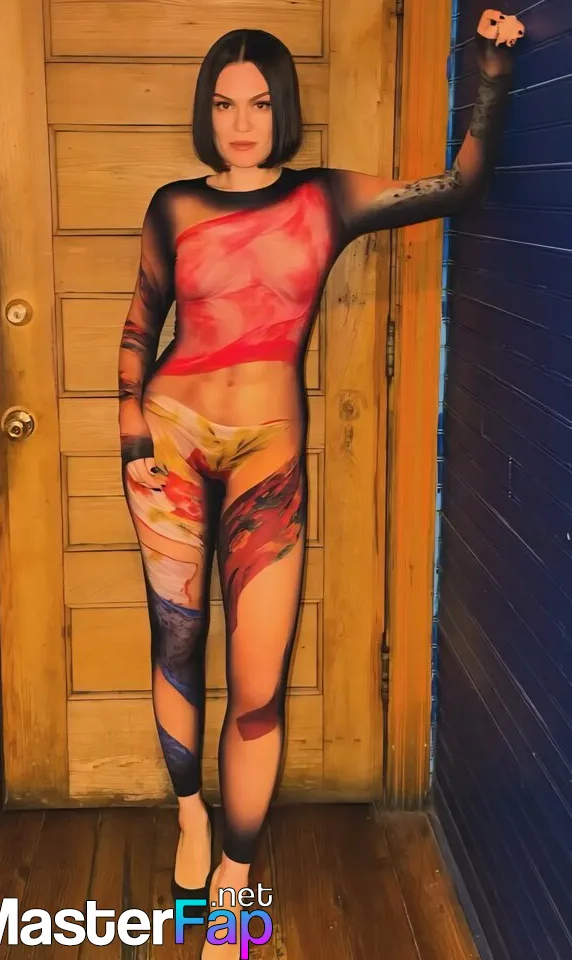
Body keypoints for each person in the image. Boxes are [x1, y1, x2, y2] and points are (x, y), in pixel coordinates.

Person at [117, 10, 524, 956]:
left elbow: (460, 187)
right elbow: (141, 322)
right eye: (225, 104)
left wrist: (493, 76)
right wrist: (130, 428)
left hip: (268, 459)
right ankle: (189, 818)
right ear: (206, 112)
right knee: (177, 643)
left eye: (259, 103)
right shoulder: (173, 205)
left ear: (283, 109)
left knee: (258, 686)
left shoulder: (325, 198)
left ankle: (234, 875)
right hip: (170, 446)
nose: (241, 122)